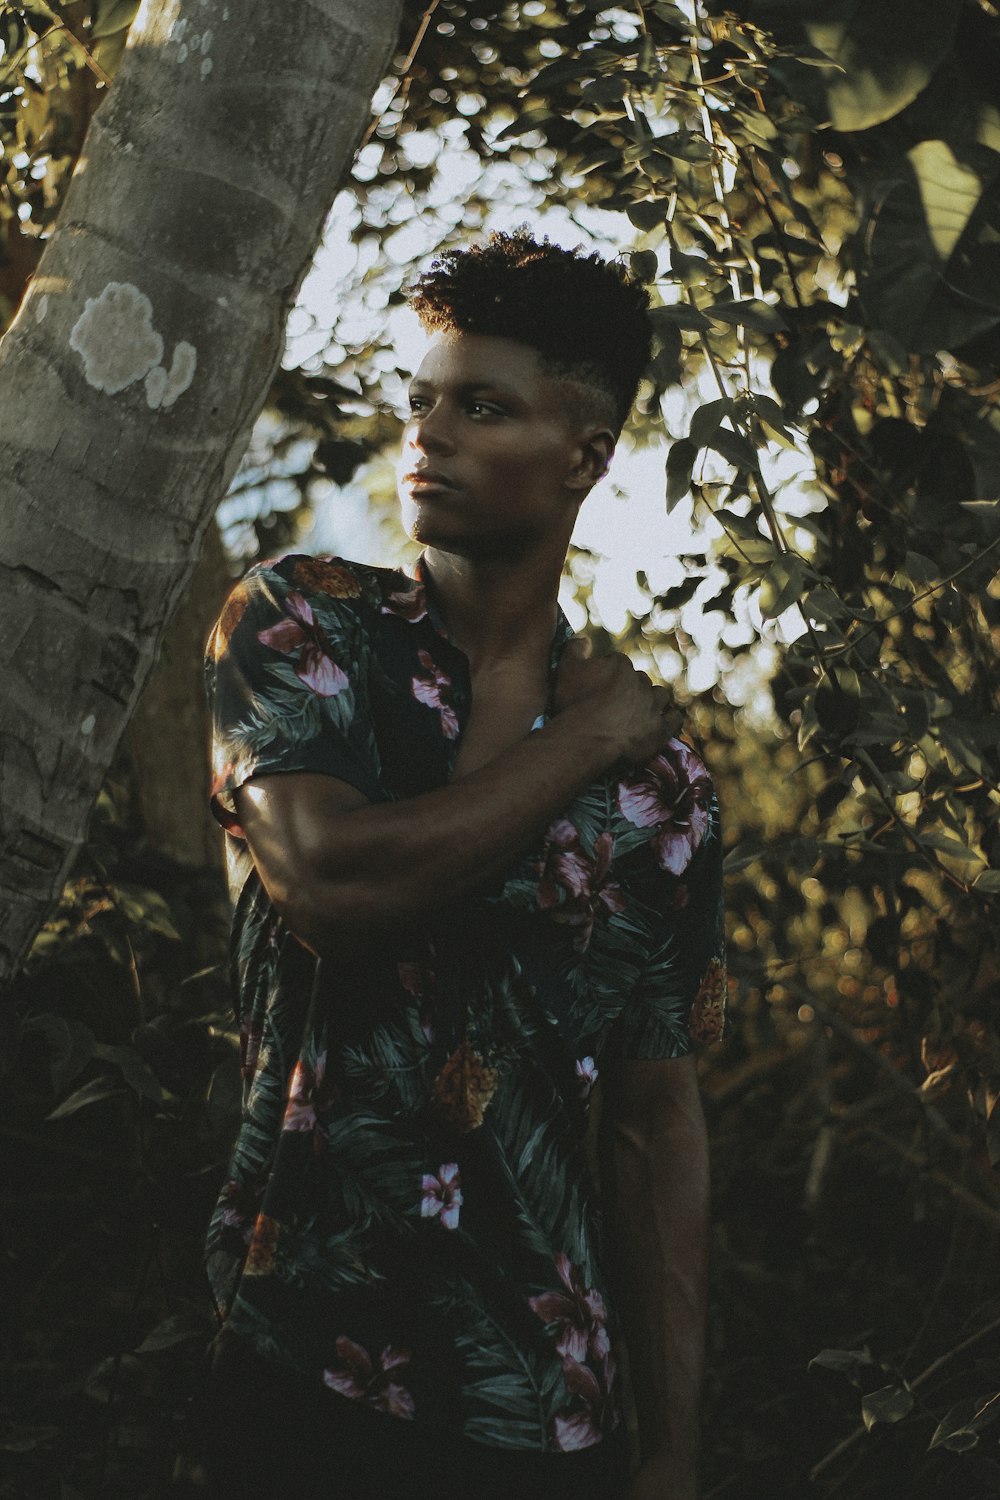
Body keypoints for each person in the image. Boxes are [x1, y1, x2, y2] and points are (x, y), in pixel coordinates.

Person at [200, 230, 727, 1500]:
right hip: (299, 1352)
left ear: (586, 455)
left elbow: (654, 1124)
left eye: (483, 407)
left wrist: (671, 1451)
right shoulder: (304, 626)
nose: (427, 436)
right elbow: (331, 886)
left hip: (542, 1406)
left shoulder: (665, 794)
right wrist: (582, 741)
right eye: (422, 400)